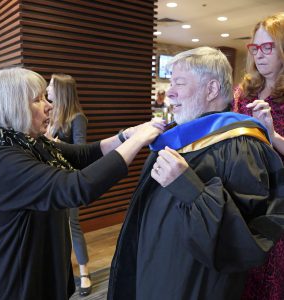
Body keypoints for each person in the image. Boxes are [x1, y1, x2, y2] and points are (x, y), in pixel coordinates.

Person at [107, 47, 284, 300]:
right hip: (156, 266)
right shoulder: (176, 136)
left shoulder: (240, 145)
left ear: (211, 89)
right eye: (170, 82)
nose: (169, 91)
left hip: (192, 283)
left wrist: (189, 188)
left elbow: (242, 242)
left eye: (179, 82)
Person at [0, 67, 165, 300]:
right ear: (13, 105)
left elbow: (82, 154)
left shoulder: (27, 142)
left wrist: (125, 136)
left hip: (44, 264)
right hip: (17, 281)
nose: (49, 105)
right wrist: (138, 141)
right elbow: (76, 188)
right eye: (38, 100)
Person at [232, 12, 284, 300]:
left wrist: (273, 135)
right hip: (244, 194)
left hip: (278, 200)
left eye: (269, 47)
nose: (260, 55)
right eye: (256, 48)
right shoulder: (245, 90)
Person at [46, 73, 92, 297]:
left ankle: (84, 272)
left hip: (68, 180)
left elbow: (81, 151)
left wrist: (52, 142)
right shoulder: (51, 113)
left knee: (72, 225)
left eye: (51, 85)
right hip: (50, 179)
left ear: (61, 91)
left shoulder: (77, 118)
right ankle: (62, 272)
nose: (47, 89)